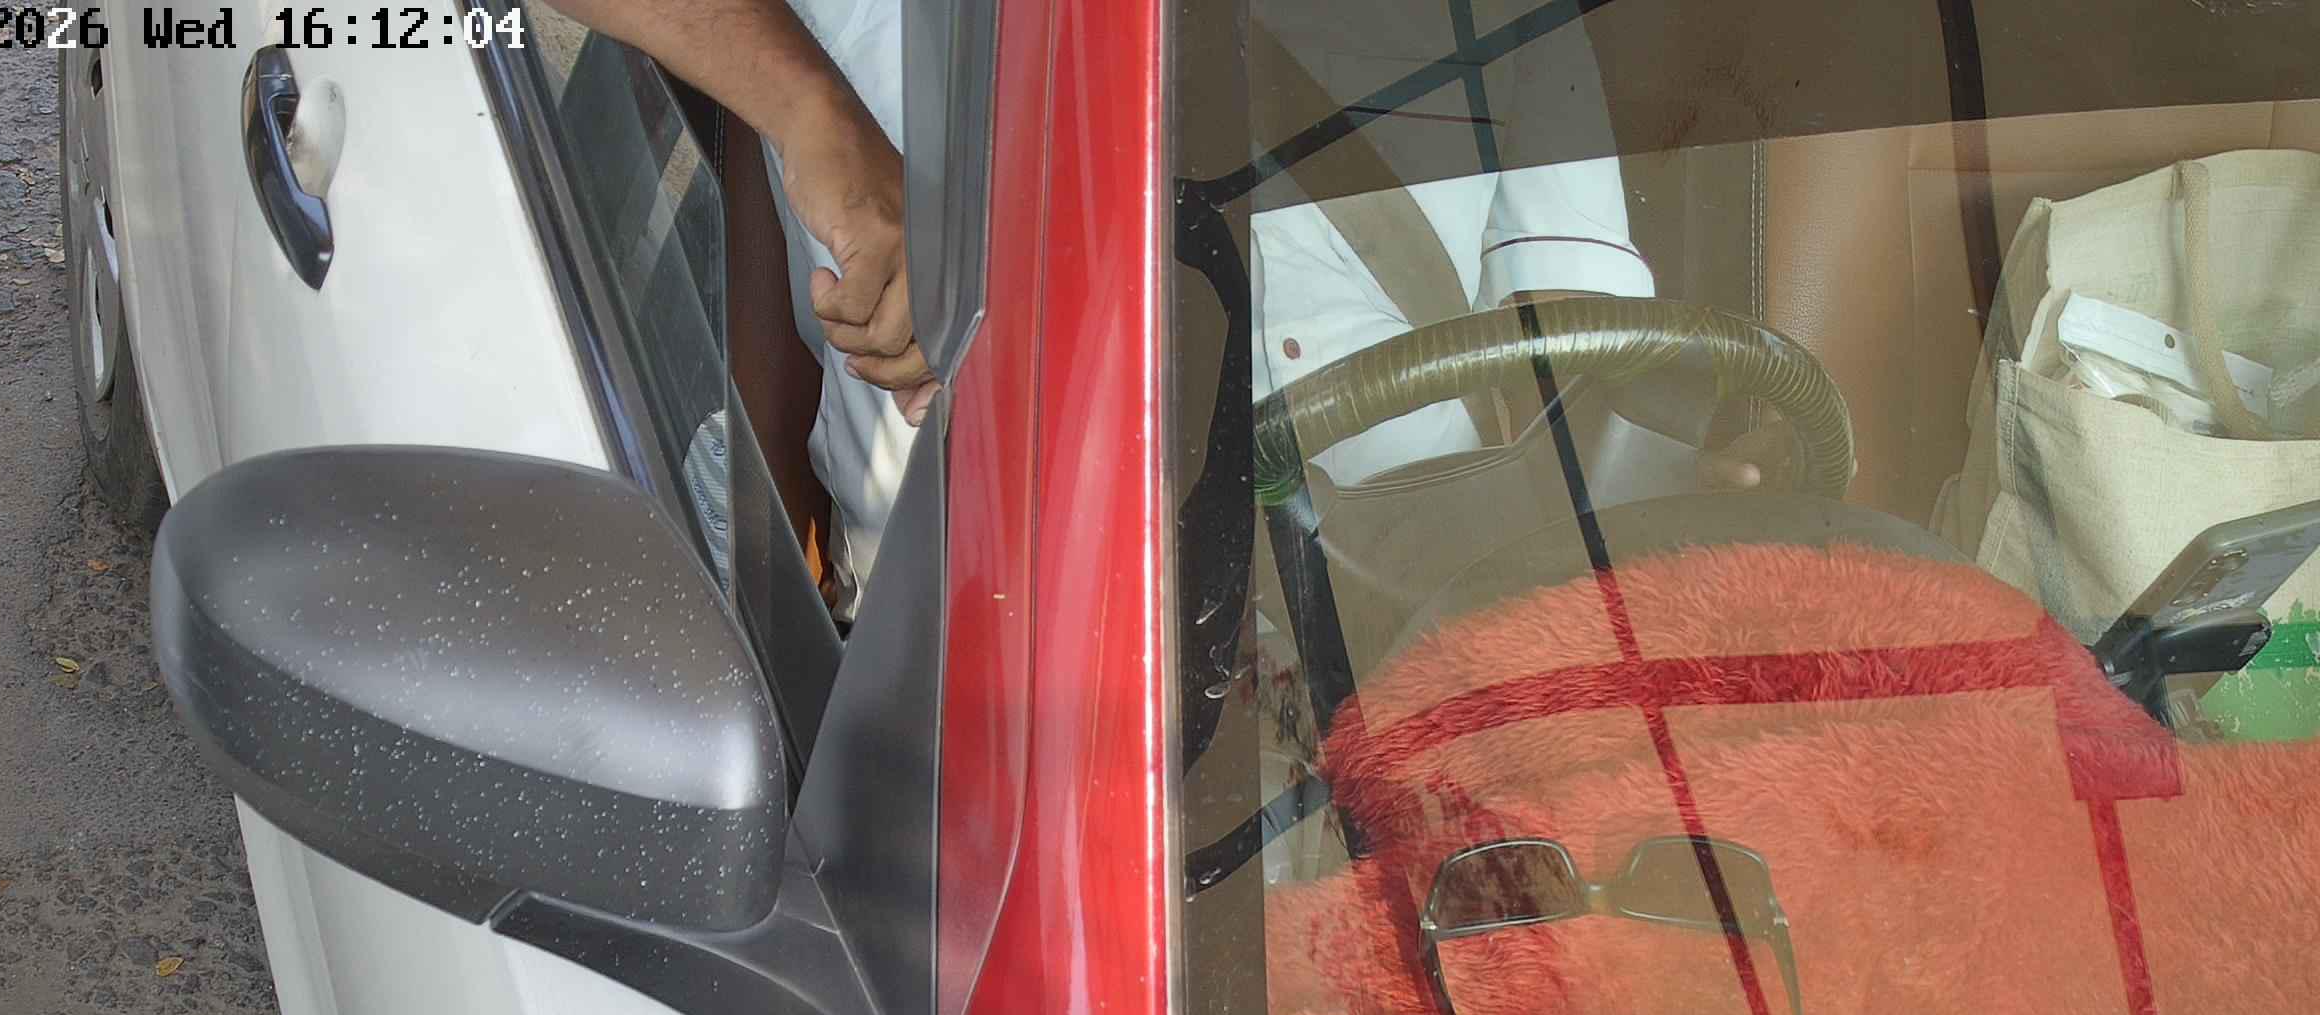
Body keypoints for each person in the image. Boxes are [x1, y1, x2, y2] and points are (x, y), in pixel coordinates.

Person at [555, 0, 1741, 614]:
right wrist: (818, 118)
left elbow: (1568, 370)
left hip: (1406, 630)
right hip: (987, 665)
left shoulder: (1502, 20)